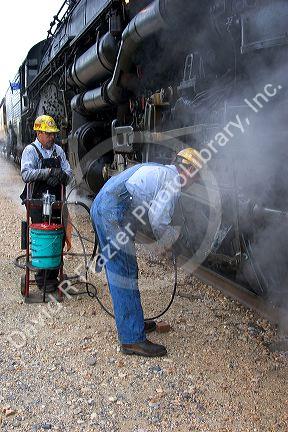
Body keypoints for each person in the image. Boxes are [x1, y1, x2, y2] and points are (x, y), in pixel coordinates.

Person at [90, 148, 203, 357]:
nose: (194, 182)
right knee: (124, 272)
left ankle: (133, 322)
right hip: (111, 210)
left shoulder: (163, 172)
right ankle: (131, 339)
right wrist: (169, 241)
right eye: (195, 176)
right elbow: (158, 218)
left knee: (126, 270)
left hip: (106, 204)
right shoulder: (173, 182)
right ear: (188, 170)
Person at [21, 115, 72, 292]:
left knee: (56, 236)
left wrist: (63, 176)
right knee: (41, 236)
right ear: (39, 132)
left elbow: (68, 172)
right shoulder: (31, 150)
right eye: (48, 134)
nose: (52, 137)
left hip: (56, 202)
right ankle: (42, 278)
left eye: (53, 134)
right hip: (36, 202)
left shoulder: (59, 150)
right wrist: (48, 172)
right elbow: (26, 174)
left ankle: (53, 275)